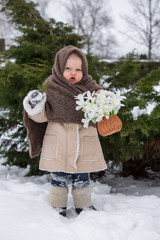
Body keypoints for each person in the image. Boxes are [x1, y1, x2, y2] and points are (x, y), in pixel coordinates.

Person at [23, 45, 107, 217]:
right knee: (58, 178)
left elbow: (103, 109)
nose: (73, 73)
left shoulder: (92, 89)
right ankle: (57, 206)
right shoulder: (51, 88)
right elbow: (41, 117)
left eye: (78, 69)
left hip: (84, 142)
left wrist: (106, 101)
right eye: (67, 68)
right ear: (59, 67)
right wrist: (35, 104)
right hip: (59, 142)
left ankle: (83, 206)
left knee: (82, 178)